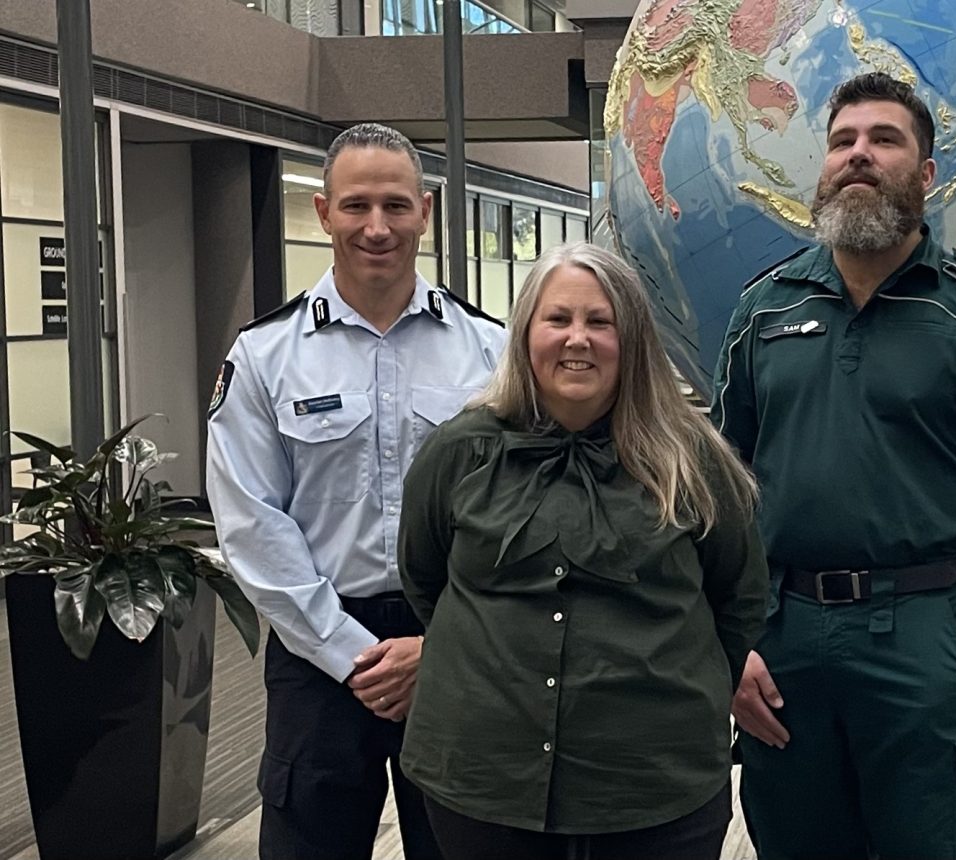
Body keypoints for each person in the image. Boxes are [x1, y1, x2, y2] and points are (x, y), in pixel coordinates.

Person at [712, 73, 956, 860]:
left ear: (927, 175)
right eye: (842, 141)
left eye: (884, 140)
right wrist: (729, 647)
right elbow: (720, 494)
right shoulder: (762, 312)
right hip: (786, 644)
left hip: (925, 637)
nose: (858, 156)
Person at [396, 241, 769, 860]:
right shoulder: (459, 451)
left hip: (654, 786)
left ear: (633, 339)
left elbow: (739, 597)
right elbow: (425, 580)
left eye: (600, 321)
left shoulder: (696, 460)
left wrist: (680, 684)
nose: (578, 339)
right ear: (525, 334)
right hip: (482, 782)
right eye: (558, 319)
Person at [206, 122, 505, 860]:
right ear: (323, 211)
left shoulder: (491, 350)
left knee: (467, 846)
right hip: (316, 654)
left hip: (452, 641)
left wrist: (438, 647)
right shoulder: (266, 354)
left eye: (397, 206)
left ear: (426, 212)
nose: (378, 227)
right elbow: (250, 523)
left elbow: (518, 512)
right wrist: (349, 654)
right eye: (357, 205)